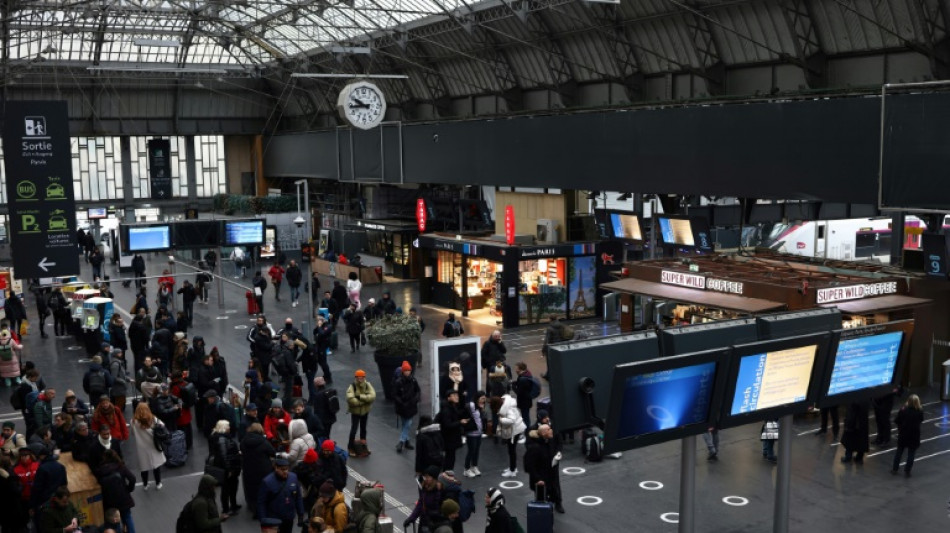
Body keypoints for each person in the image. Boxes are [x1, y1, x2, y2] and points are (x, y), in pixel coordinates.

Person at [523, 423, 564, 513]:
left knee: (549, 501)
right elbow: (529, 465)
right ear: (544, 433)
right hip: (541, 482)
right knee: (542, 506)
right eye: (549, 429)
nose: (551, 430)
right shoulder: (535, 447)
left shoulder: (548, 442)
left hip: (550, 478)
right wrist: (537, 479)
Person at [258, 457, 305, 533]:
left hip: (288, 517)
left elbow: (298, 497)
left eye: (287, 469)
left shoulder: (293, 477)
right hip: (274, 519)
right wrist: (263, 520)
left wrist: (301, 514)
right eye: (282, 469)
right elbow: (261, 502)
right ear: (276, 468)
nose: (285, 471)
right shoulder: (267, 482)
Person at [94, 450, 137, 533]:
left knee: (114, 522)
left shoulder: (101, 470)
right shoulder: (120, 466)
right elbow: (132, 478)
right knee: (127, 517)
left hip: (109, 500)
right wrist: (128, 489)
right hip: (123, 498)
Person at [240, 423, 275, 520]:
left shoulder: (244, 441)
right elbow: (272, 452)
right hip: (263, 470)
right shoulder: (263, 441)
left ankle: (256, 510)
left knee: (253, 490)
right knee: (264, 490)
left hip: (249, 470)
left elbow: (241, 449)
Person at [208, 420, 242, 513]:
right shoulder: (222, 440)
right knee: (228, 488)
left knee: (229, 488)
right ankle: (227, 508)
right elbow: (224, 456)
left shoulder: (221, 438)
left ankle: (231, 506)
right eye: (228, 426)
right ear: (224, 428)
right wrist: (229, 470)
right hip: (229, 469)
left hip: (229, 467)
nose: (229, 428)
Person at [130, 402, 166, 491]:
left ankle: (145, 484)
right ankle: (158, 483)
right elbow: (162, 426)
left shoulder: (133, 421)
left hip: (142, 447)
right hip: (154, 445)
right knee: (156, 465)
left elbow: (133, 433)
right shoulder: (153, 419)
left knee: (144, 467)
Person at [490, 394, 526, 478]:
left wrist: (501, 420)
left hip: (514, 431)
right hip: (517, 429)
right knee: (511, 451)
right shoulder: (508, 404)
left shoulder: (508, 408)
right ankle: (513, 468)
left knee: (511, 451)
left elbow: (512, 420)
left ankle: (512, 470)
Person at [29, 442, 67, 515]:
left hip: (45, 505)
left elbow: (37, 489)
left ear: (39, 455)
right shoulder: (61, 466)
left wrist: (32, 506)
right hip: (58, 502)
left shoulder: (42, 469)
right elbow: (64, 484)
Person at [892, 393, 924, 477]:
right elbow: (921, 420)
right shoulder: (919, 411)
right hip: (914, 435)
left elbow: (897, 420)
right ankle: (907, 471)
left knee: (899, 451)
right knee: (911, 453)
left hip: (903, 433)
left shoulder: (903, 410)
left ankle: (895, 468)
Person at [404, 465, 444, 531]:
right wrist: (411, 519)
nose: (426, 478)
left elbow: (440, 510)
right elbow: (420, 505)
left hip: (434, 524)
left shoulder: (438, 491)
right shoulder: (425, 488)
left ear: (434, 478)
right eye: (425, 476)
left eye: (428, 476)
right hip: (424, 522)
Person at [346, 369, 376, 457]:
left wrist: (360, 397)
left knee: (363, 429)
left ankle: (363, 446)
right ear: (356, 377)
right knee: (354, 430)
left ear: (364, 377)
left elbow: (373, 396)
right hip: (355, 412)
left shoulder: (367, 385)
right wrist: (364, 401)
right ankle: (350, 447)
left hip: (365, 411)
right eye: (359, 377)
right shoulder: (352, 386)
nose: (360, 379)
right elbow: (350, 399)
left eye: (362, 377)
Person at [437, 389, 468, 471]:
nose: (457, 397)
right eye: (454, 395)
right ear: (448, 398)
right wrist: (460, 422)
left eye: (457, 395)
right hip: (449, 438)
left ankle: (447, 473)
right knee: (450, 457)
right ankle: (447, 474)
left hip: (451, 437)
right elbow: (447, 424)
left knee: (451, 456)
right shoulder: (446, 410)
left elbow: (457, 414)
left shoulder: (451, 406)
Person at [393, 360, 421, 453]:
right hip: (403, 406)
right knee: (405, 424)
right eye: (406, 371)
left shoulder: (413, 380)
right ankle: (407, 441)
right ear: (403, 371)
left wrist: (416, 399)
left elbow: (418, 391)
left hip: (411, 405)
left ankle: (401, 442)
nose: (407, 372)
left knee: (407, 424)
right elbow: (395, 394)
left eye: (409, 370)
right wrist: (401, 402)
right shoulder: (398, 382)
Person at [464, 391, 487, 478]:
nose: (483, 401)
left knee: (476, 451)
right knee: (471, 451)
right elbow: (465, 414)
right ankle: (466, 469)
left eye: (484, 399)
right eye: (481, 399)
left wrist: (482, 410)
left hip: (479, 433)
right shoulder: (471, 406)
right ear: (477, 398)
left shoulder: (480, 407)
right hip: (471, 433)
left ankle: (474, 466)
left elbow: (481, 419)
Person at [512, 362, 536, 430]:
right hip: (527, 400)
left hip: (524, 401)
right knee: (526, 416)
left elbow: (518, 391)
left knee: (525, 417)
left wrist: (513, 386)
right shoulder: (527, 374)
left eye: (516, 368)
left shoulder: (523, 379)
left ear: (520, 369)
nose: (515, 370)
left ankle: (526, 431)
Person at [108, 349, 131, 414]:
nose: (121, 354)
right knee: (119, 405)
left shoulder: (117, 362)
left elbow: (121, 374)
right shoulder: (115, 364)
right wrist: (123, 381)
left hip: (120, 388)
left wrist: (128, 379)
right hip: (118, 389)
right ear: (116, 354)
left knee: (121, 403)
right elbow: (114, 377)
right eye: (119, 353)